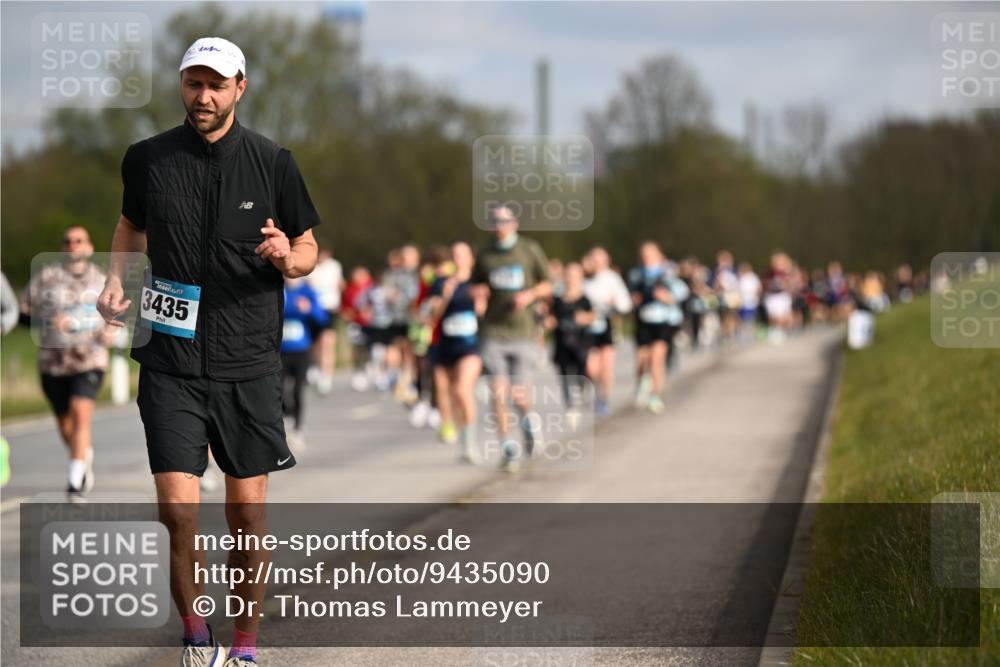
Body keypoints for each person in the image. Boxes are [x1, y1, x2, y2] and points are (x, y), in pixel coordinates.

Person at [97, 37, 320, 667]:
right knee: (177, 512)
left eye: (216, 84)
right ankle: (197, 639)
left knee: (246, 517)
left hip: (248, 362)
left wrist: (288, 259)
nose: (204, 95)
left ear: (240, 87)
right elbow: (129, 225)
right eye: (194, 83)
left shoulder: (273, 161)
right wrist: (118, 278)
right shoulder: (147, 158)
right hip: (169, 360)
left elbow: (307, 248)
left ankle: (245, 648)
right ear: (182, 85)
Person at [19, 227, 113, 500]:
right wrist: (46, 321)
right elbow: (22, 313)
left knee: (80, 413)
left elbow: (116, 315)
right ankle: (83, 455)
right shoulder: (46, 277)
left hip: (89, 359)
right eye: (68, 241)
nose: (73, 245)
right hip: (53, 362)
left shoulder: (101, 279)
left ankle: (75, 483)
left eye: (79, 241)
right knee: (66, 426)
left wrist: (110, 330)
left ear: (89, 246)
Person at [470, 206, 551, 471]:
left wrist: (529, 296)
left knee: (518, 394)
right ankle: (508, 447)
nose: (499, 225)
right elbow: (475, 284)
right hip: (493, 331)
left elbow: (547, 284)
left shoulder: (529, 249)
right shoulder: (484, 254)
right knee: (498, 392)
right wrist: (479, 293)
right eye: (494, 221)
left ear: (515, 223)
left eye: (504, 221)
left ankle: (529, 423)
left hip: (523, 332)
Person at [426, 243, 485, 460]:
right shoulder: (441, 283)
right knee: (445, 390)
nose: (458, 259)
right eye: (454, 255)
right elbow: (433, 314)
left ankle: (470, 444)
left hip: (470, 346)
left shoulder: (478, 283)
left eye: (462, 255)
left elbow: (483, 314)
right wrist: (446, 296)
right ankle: (455, 428)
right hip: (445, 344)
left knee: (461, 390)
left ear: (471, 258)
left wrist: (480, 300)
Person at [627, 241, 688, 414]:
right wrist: (634, 301)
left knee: (656, 359)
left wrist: (667, 297)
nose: (647, 257)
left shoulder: (668, 273)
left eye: (651, 253)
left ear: (659, 255)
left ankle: (655, 395)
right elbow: (631, 297)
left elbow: (681, 293)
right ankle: (642, 382)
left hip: (664, 321)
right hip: (643, 320)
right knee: (641, 360)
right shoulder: (636, 275)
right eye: (644, 254)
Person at [582, 247, 631, 417]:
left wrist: (614, 302)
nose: (596, 262)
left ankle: (604, 398)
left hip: (607, 326)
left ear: (606, 260)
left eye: (599, 259)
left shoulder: (612, 278)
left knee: (607, 366)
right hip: (588, 329)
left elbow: (625, 303)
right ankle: (594, 388)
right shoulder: (584, 278)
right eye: (593, 258)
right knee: (591, 368)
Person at [282, 276, 329, 451]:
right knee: (278, 389)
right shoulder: (278, 288)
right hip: (280, 350)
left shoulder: (308, 291)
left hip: (301, 350)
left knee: (297, 389)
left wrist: (308, 309)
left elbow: (322, 318)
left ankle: (298, 427)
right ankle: (287, 415)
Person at [548, 262, 596, 415]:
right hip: (562, 341)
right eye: (568, 275)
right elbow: (551, 318)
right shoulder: (557, 300)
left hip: (580, 341)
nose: (571, 279)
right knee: (564, 372)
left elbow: (593, 316)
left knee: (583, 368)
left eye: (574, 276)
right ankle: (570, 403)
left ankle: (584, 389)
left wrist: (584, 318)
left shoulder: (585, 299)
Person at [305, 246, 343, 394]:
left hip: (330, 308)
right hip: (314, 309)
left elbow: (340, 284)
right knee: (315, 343)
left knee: (328, 342)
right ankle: (315, 367)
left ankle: (326, 376)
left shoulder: (334, 266)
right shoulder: (310, 265)